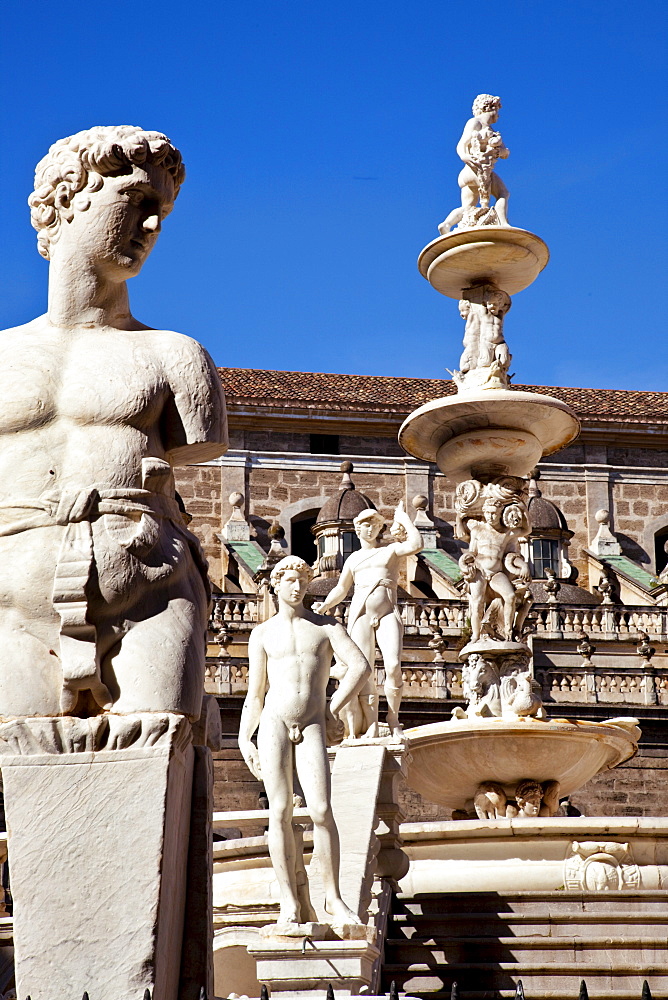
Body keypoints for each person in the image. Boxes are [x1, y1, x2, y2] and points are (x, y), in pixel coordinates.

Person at [0, 126, 228, 720]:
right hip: (13, 608)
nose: (152, 227)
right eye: (135, 203)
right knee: (26, 771)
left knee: (154, 760)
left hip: (149, 590)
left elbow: (197, 446)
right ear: (66, 202)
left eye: (162, 213)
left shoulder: (176, 356)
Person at [238, 556, 371, 929]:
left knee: (322, 810)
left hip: (311, 722)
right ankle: (290, 902)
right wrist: (243, 738)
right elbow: (255, 693)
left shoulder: (326, 627)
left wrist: (333, 706)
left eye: (302, 580)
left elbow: (360, 666)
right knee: (278, 810)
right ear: (276, 585)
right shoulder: (262, 634)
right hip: (273, 722)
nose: (297, 587)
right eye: (290, 581)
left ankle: (333, 897)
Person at [314, 502, 422, 737]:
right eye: (366, 524)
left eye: (375, 524)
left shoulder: (389, 550)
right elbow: (342, 589)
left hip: (387, 611)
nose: (371, 528)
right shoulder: (353, 559)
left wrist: (403, 519)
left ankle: (393, 718)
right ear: (357, 529)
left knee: (393, 665)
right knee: (364, 671)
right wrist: (325, 605)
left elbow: (416, 544)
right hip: (360, 612)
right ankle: (371, 723)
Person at [458, 499, 530, 643]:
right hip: (479, 570)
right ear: (484, 513)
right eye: (488, 513)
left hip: (496, 573)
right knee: (477, 603)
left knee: (510, 597)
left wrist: (524, 510)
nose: (491, 516)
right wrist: (463, 562)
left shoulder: (505, 533)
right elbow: (472, 551)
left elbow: (526, 530)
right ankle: (475, 636)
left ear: (499, 514)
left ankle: (508, 632)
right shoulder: (477, 530)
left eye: (494, 513)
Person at [439, 94, 510, 234]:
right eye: (497, 110)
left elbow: (506, 154)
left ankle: (446, 224)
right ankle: (504, 223)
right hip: (478, 170)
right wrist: (465, 156)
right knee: (503, 193)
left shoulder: (492, 131)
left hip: (468, 172)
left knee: (467, 207)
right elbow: (461, 144)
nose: (498, 115)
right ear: (489, 108)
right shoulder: (475, 123)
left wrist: (502, 151)